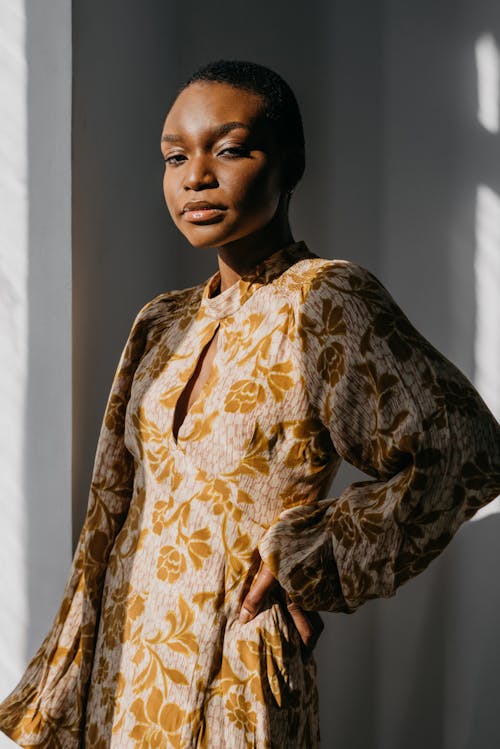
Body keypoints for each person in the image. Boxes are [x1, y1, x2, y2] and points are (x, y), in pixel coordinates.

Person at [0, 58, 499, 749]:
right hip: (124, 664)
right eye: (175, 156)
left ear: (290, 166)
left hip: (231, 662)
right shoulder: (162, 320)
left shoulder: (326, 299)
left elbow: (466, 450)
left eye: (229, 149)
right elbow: (110, 517)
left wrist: (311, 557)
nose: (195, 176)